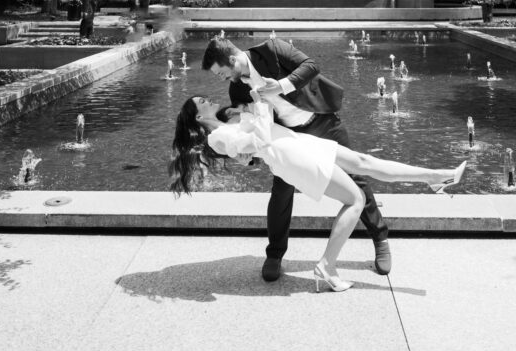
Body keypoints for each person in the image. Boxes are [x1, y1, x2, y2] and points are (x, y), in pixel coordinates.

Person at [170, 95, 467, 292]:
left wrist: (243, 112)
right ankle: (327, 267)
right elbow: (259, 142)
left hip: (297, 142)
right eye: (202, 102)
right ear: (196, 116)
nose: (209, 99)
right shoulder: (217, 137)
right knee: (355, 199)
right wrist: (259, 105)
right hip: (292, 157)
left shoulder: (226, 123)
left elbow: (249, 152)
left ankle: (436, 178)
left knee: (365, 163)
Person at [201, 36, 392, 281]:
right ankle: (275, 254)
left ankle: (380, 238)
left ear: (232, 59)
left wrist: (280, 86)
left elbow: (311, 66)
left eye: (221, 73)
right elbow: (247, 130)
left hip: (321, 120)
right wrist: (247, 158)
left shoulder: (271, 49)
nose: (222, 78)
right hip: (290, 138)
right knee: (281, 191)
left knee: (358, 178)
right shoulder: (237, 88)